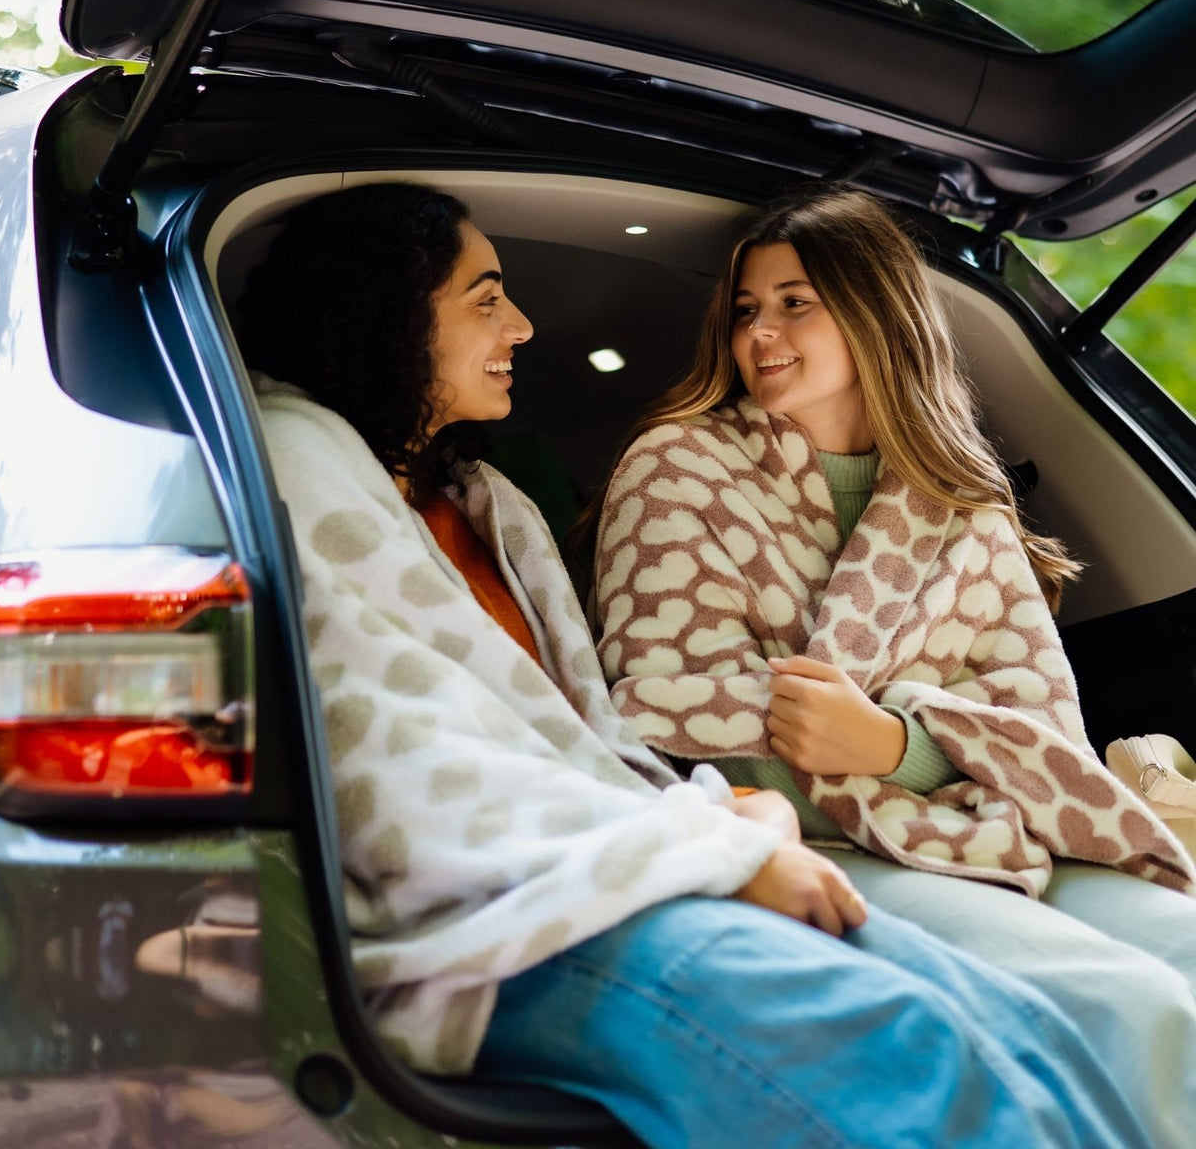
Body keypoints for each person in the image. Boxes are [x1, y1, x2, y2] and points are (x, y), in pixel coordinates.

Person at [237, 178, 1150, 1149]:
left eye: (796, 302)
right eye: (486, 295)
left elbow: (578, 746)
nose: (525, 323)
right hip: (507, 913)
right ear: (386, 311)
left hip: (642, 851)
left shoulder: (490, 506)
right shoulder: (297, 461)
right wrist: (727, 836)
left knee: (1020, 1026)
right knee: (916, 1040)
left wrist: (846, 763)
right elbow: (409, 761)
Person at [593, 181, 1196, 1148]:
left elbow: (1047, 733)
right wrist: (892, 745)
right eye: (746, 308)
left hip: (990, 830)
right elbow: (656, 707)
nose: (762, 331)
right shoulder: (674, 470)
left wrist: (896, 744)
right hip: (810, 846)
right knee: (1125, 1003)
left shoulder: (965, 507)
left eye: (797, 302)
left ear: (877, 312)